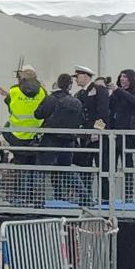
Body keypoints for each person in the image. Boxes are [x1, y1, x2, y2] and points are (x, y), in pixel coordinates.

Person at [0, 65, 46, 206]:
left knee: (22, 167)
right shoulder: (42, 91)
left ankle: (24, 198)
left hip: (17, 136)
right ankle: (37, 199)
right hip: (36, 136)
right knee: (36, 168)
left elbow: (9, 105)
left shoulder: (14, 91)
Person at [34, 73, 85, 203]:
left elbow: (38, 114)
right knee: (67, 169)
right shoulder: (76, 102)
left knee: (41, 169)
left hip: (50, 139)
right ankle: (85, 197)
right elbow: (81, 120)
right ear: (70, 85)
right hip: (68, 141)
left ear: (58, 83)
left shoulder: (51, 99)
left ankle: (38, 200)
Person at [72, 65, 110, 205]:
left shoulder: (99, 90)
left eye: (77, 76)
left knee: (102, 166)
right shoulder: (80, 94)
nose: (76, 79)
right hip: (85, 135)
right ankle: (86, 196)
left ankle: (105, 197)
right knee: (85, 166)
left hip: (97, 134)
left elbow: (103, 111)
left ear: (85, 76)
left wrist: (98, 130)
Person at [108, 69, 135, 203]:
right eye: (121, 76)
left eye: (125, 76)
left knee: (127, 164)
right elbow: (109, 107)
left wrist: (118, 91)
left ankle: (128, 194)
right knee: (111, 165)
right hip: (114, 133)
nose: (122, 79)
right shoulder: (116, 93)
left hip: (128, 134)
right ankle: (110, 195)